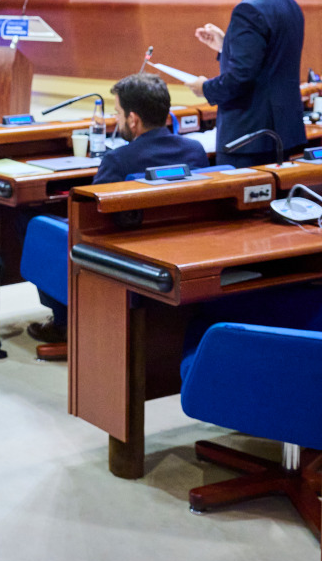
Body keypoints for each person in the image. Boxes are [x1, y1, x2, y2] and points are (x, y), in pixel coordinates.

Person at [26, 73, 209, 358]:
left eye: (118, 113)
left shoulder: (119, 159)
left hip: (128, 255)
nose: (117, 119)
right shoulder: (195, 151)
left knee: (40, 227)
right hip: (182, 246)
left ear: (133, 120)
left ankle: (63, 323)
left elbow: (88, 218)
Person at [189, 0, 306, 166]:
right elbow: (270, 60)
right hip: (283, 132)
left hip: (250, 138)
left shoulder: (249, 9)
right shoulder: (286, 0)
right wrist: (225, 46)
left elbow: (241, 78)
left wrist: (205, 88)